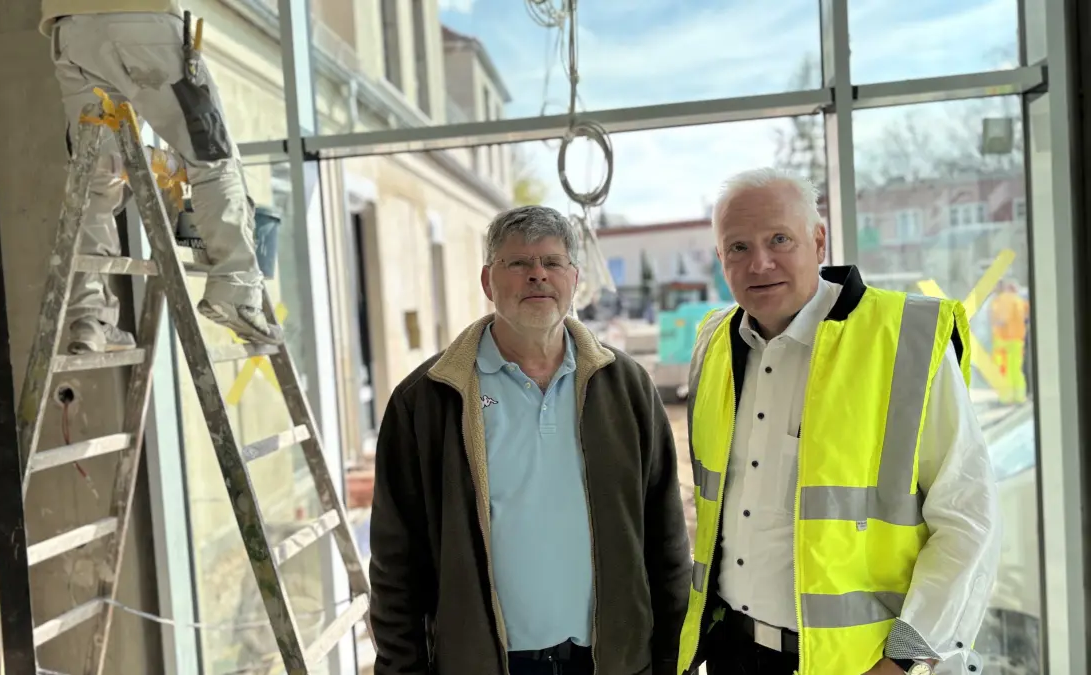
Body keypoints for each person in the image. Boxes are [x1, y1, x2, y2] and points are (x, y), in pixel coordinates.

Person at [676, 168, 1001, 675]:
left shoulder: (903, 339)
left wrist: (908, 658)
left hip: (860, 663)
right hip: (733, 653)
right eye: (737, 247)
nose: (759, 262)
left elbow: (968, 516)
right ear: (720, 258)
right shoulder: (713, 344)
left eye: (779, 238)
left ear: (818, 239)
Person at [369, 205, 692, 675]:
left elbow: (666, 536)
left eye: (552, 262)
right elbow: (396, 562)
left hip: (611, 660)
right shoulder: (428, 398)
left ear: (574, 278)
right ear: (487, 281)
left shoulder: (625, 387)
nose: (537, 275)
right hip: (484, 663)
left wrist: (672, 658)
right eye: (518, 263)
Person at [39, 1, 282, 354]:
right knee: (212, 157)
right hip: (141, 20)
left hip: (71, 30)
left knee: (98, 171)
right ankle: (236, 290)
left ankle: (90, 319)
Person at [990, 279, 1029, 404]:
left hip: (1003, 340)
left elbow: (1001, 320)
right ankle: (1019, 396)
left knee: (1003, 370)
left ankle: (1006, 398)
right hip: (1017, 340)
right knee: (1016, 369)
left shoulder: (1001, 300)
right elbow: (1026, 317)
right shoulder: (1019, 301)